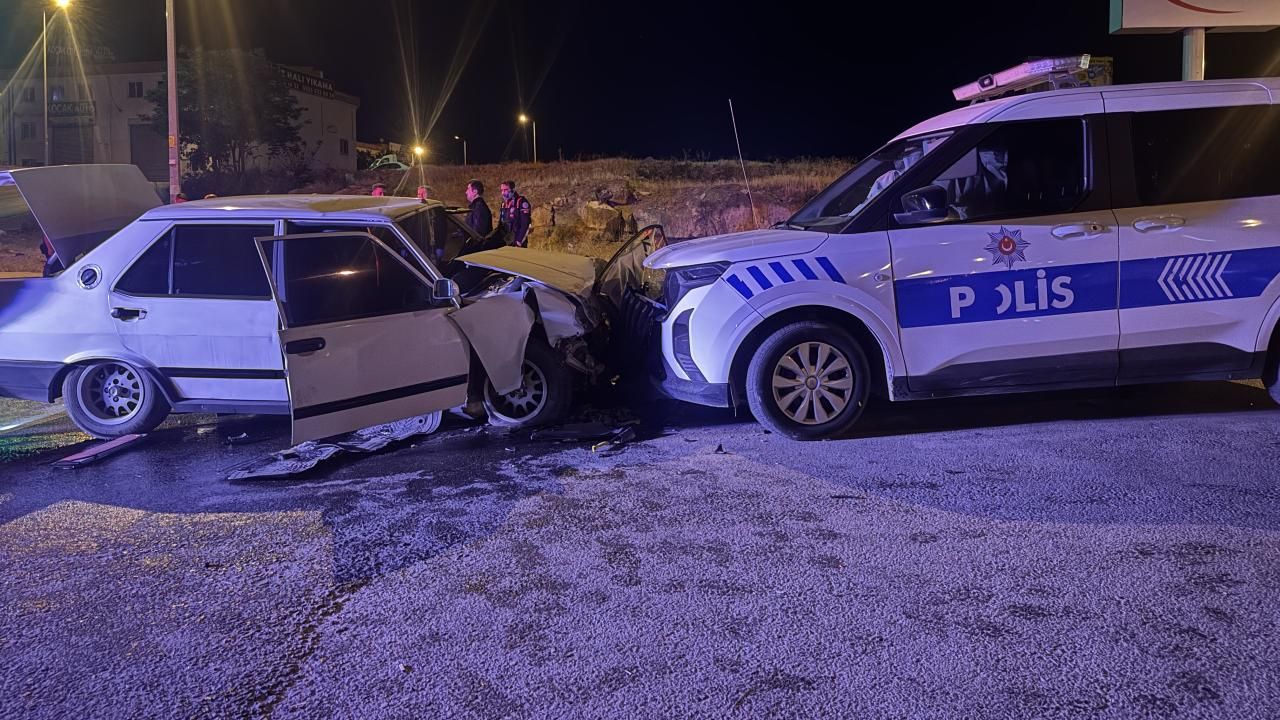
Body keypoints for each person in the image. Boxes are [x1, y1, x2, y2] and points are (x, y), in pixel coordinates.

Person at [498, 180, 532, 248]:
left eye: (505, 190)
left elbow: (526, 224)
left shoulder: (521, 202)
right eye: (502, 190)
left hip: (517, 242)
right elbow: (501, 223)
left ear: (512, 190)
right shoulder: (504, 204)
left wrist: (519, 241)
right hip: (505, 241)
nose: (503, 193)